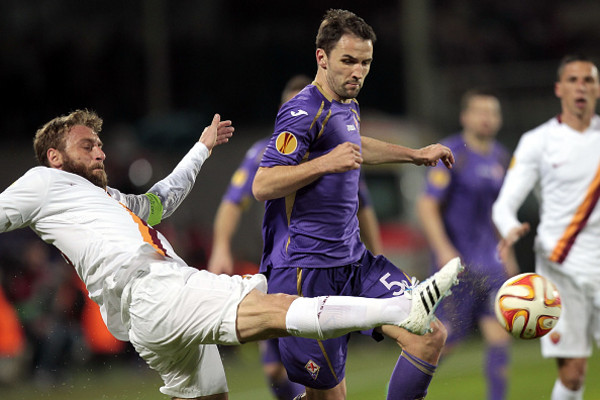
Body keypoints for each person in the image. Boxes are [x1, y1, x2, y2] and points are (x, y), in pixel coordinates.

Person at [1, 109, 459, 400]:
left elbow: (161, 201)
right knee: (278, 309)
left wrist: (200, 149)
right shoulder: (45, 183)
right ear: (55, 158)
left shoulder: (112, 200)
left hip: (151, 312)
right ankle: (402, 309)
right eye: (87, 145)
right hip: (155, 291)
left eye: (100, 144)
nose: (99, 151)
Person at [252, 9, 463, 400]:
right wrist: (324, 164)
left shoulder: (346, 102)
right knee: (328, 397)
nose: (358, 72)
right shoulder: (301, 111)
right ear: (322, 58)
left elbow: (354, 144)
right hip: (305, 274)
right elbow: (263, 184)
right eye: (348, 61)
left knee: (429, 336)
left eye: (365, 62)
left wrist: (414, 154)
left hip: (355, 263)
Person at [209, 74, 384, 400]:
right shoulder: (264, 152)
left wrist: (375, 260)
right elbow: (233, 203)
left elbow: (363, 208)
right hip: (281, 269)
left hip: (320, 270)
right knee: (279, 370)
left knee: (325, 385)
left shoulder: (341, 149)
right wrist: (221, 246)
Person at [492, 54, 600, 400]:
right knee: (572, 375)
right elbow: (504, 204)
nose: (580, 86)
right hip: (560, 268)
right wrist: (508, 227)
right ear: (559, 88)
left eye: (588, 80)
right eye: (573, 80)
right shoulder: (537, 141)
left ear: (597, 88)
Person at [416, 89, 515, 400]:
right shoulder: (453, 154)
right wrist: (443, 248)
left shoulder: (502, 158)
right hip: (456, 265)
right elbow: (427, 205)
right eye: (480, 111)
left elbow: (500, 213)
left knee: (500, 335)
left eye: (492, 112)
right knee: (445, 340)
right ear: (465, 117)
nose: (487, 118)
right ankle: (407, 390)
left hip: (491, 264)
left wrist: (507, 252)